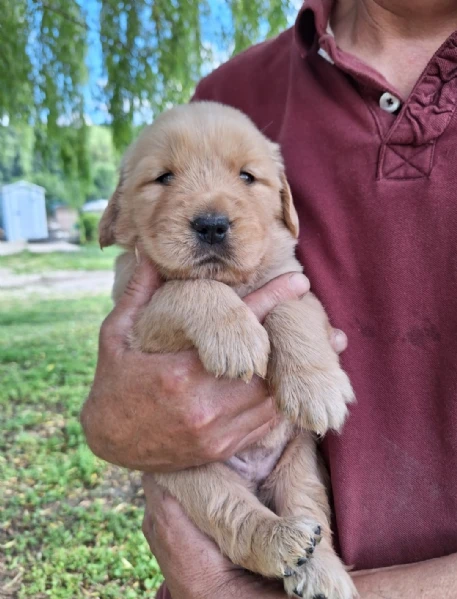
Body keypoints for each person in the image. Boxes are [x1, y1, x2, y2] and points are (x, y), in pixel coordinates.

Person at [81, 0, 457, 597]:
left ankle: (310, 554)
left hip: (288, 509)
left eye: (245, 178)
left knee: (298, 473)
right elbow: (122, 405)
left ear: (283, 202)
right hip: (213, 508)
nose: (210, 211)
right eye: (165, 179)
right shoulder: (232, 91)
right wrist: (109, 423)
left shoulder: (272, 238)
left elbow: (292, 296)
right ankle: (264, 541)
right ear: (118, 210)